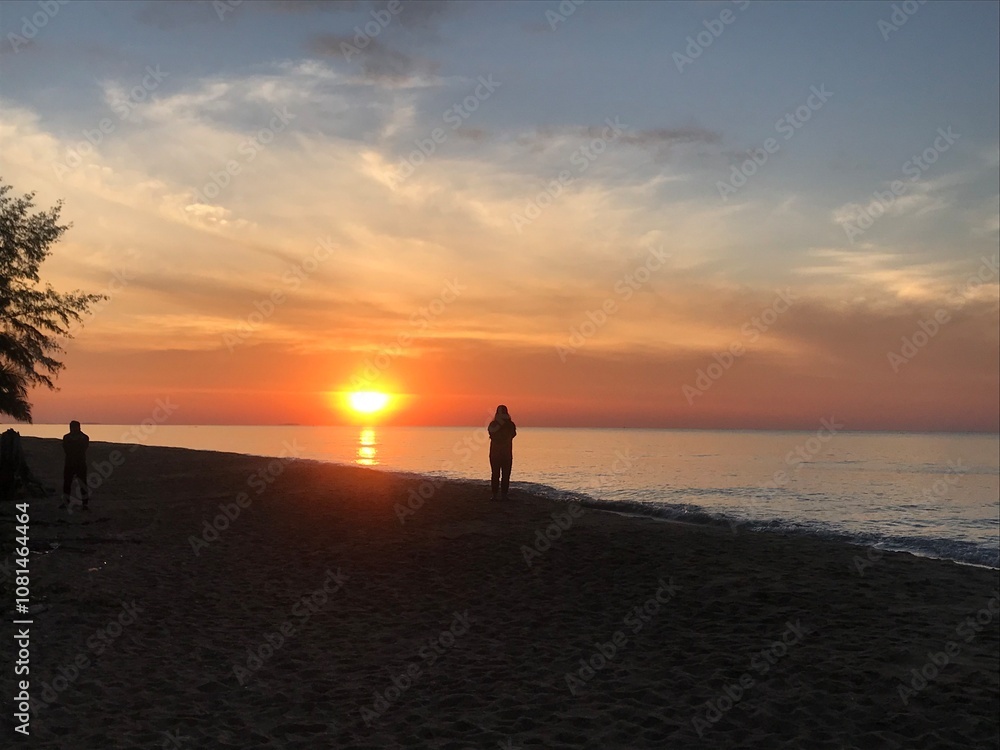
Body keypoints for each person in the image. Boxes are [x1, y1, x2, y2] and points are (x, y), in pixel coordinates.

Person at [488, 404, 516, 501]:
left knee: (503, 474)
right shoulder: (494, 425)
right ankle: (496, 495)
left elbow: (512, 435)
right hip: (499, 453)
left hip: (504, 454)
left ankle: (501, 495)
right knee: (497, 474)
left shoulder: (509, 425)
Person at [62, 420, 90, 511]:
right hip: (70, 462)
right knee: (67, 483)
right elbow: (66, 449)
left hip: (80, 463)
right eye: (71, 427)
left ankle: (85, 504)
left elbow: (83, 449)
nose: (73, 429)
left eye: (74, 427)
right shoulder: (66, 437)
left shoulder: (84, 438)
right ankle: (66, 502)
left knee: (82, 484)